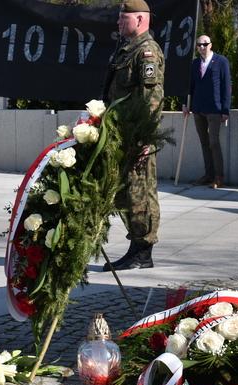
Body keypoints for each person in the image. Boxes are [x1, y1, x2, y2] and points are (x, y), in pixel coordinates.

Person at [101, 0, 164, 271]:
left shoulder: (147, 52)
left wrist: (144, 138)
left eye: (123, 17)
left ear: (139, 19)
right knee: (128, 192)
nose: (118, 21)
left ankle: (142, 251)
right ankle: (137, 247)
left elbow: (151, 99)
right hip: (122, 134)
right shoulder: (127, 50)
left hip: (137, 135)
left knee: (140, 191)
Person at [183, 35, 231, 189]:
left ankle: (219, 177)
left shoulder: (221, 61)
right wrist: (185, 104)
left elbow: (226, 86)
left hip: (215, 109)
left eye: (205, 44)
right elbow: (189, 85)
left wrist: (226, 109)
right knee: (204, 142)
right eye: (199, 45)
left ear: (211, 45)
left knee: (213, 142)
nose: (202, 47)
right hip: (198, 108)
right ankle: (208, 174)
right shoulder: (195, 63)